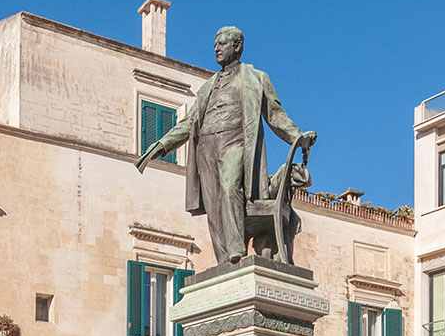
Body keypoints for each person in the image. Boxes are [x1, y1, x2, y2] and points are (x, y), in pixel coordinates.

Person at [135, 26, 316, 266]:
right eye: (215, 45)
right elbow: (189, 123)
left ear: (237, 46)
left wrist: (297, 136)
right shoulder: (207, 87)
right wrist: (160, 146)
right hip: (206, 147)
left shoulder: (255, 78)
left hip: (235, 142)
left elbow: (274, 114)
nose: (217, 49)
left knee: (230, 186)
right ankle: (224, 262)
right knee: (213, 203)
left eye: (222, 44)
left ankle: (236, 249)